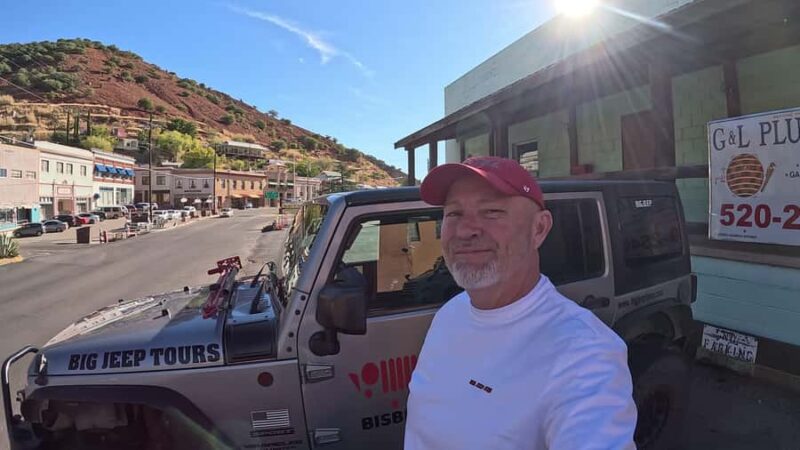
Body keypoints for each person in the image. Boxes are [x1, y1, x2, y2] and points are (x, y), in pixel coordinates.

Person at [404, 156, 637, 450]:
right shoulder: (450, 313)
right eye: (454, 214)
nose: (465, 231)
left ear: (539, 229)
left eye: (491, 211)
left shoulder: (584, 354)